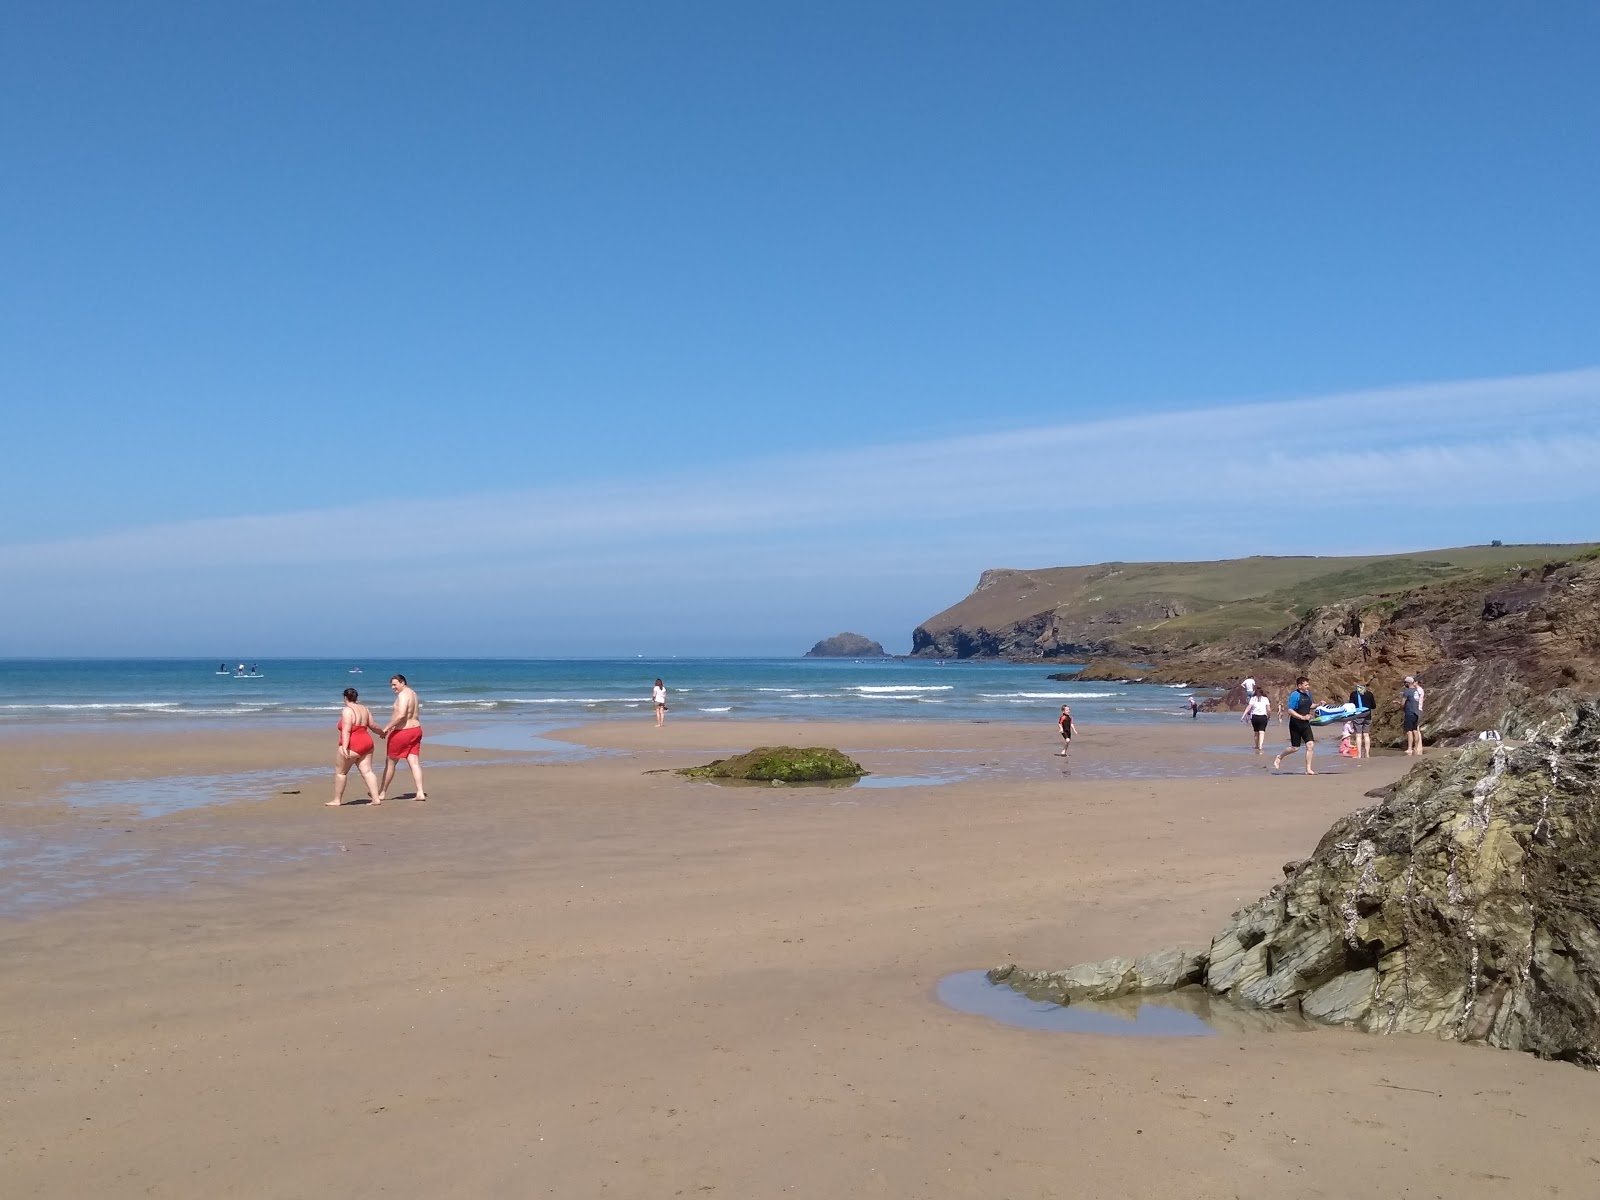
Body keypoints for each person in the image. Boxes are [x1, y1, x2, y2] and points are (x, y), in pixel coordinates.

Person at [328, 687, 383, 806]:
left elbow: (346, 730)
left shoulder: (347, 710)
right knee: (367, 771)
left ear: (345, 698)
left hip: (353, 744)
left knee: (341, 773)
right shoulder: (364, 708)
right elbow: (373, 725)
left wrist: (344, 747)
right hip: (367, 742)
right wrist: (382, 733)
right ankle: (375, 799)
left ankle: (337, 800)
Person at [379, 674, 427, 801]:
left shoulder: (403, 695)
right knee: (414, 762)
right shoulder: (414, 694)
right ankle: (420, 792)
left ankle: (382, 792)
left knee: (390, 762)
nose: (393, 688)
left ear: (402, 682)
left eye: (395, 684)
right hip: (416, 730)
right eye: (392, 685)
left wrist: (387, 728)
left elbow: (401, 715)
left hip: (403, 732)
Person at [1274, 676, 1317, 774]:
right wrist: (1302, 717)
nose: (1308, 686)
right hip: (1295, 724)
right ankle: (1280, 757)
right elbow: (1290, 710)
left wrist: (1318, 704)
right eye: (1306, 685)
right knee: (1295, 748)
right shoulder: (1295, 695)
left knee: (1310, 745)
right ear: (1299, 686)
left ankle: (1308, 769)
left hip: (1305, 724)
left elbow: (1310, 705)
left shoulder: (1308, 694)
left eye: (1308, 684)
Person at [1349, 679, 1376, 759]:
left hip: (1357, 716)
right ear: (1365, 686)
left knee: (1358, 735)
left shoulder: (1354, 694)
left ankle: (1359, 754)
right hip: (1367, 715)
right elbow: (1373, 706)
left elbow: (1351, 705)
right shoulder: (1369, 694)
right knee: (1366, 735)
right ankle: (1367, 754)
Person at [1243, 687, 1272, 755]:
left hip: (1255, 717)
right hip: (1263, 717)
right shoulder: (1265, 699)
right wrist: (1269, 716)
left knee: (1256, 732)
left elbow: (1249, 707)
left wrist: (1243, 715)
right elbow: (1268, 709)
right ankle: (1260, 746)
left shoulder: (1253, 698)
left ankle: (1256, 746)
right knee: (1262, 732)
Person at [1403, 675, 1425, 756]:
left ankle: (1410, 749)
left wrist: (1400, 704)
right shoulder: (1417, 691)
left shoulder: (1407, 691)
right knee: (1415, 730)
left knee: (1409, 731)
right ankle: (1416, 747)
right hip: (1416, 711)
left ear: (1408, 683)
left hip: (1410, 712)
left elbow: (1403, 703)